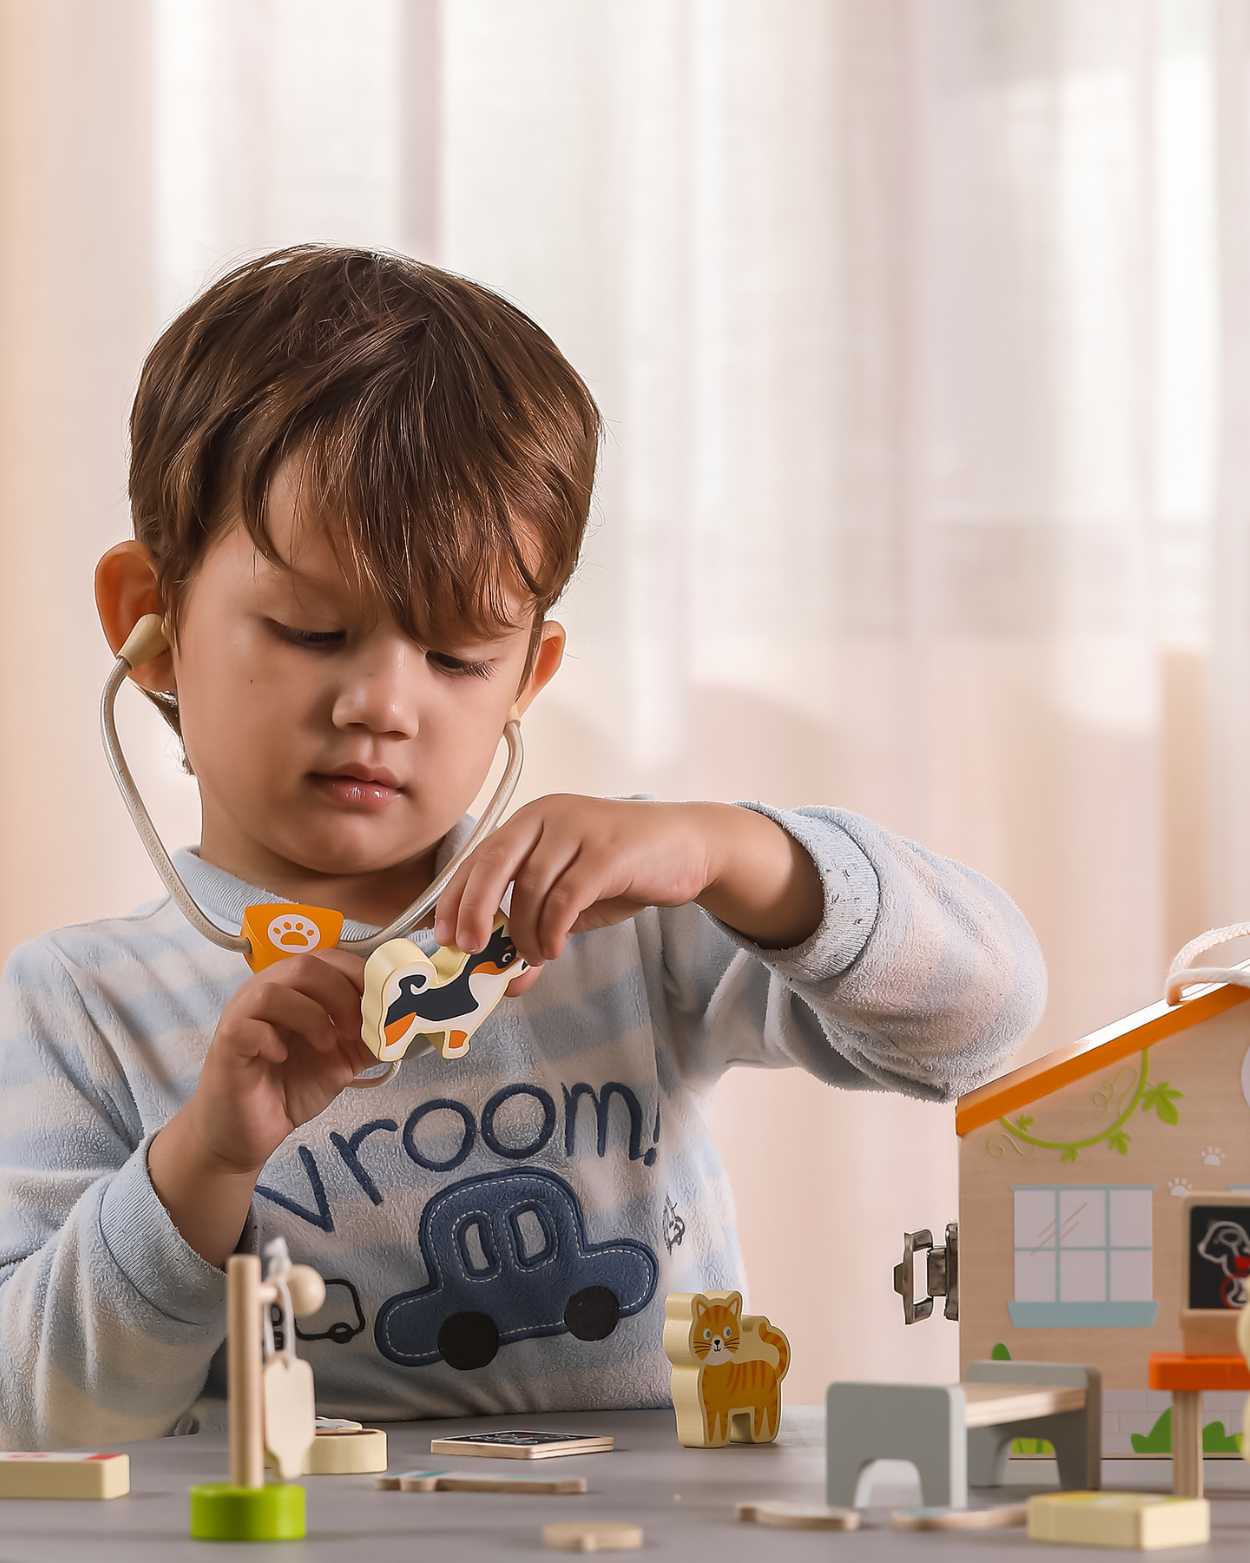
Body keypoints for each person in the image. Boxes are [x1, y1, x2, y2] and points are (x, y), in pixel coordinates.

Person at [0, 244, 1046, 1448]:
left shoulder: (617, 929)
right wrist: (200, 1159)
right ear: (153, 628)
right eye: (308, 630)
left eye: (456, 658)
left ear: (526, 678)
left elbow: (986, 1022)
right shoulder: (84, 1003)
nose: (383, 704)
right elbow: (37, 1416)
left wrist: (737, 853)